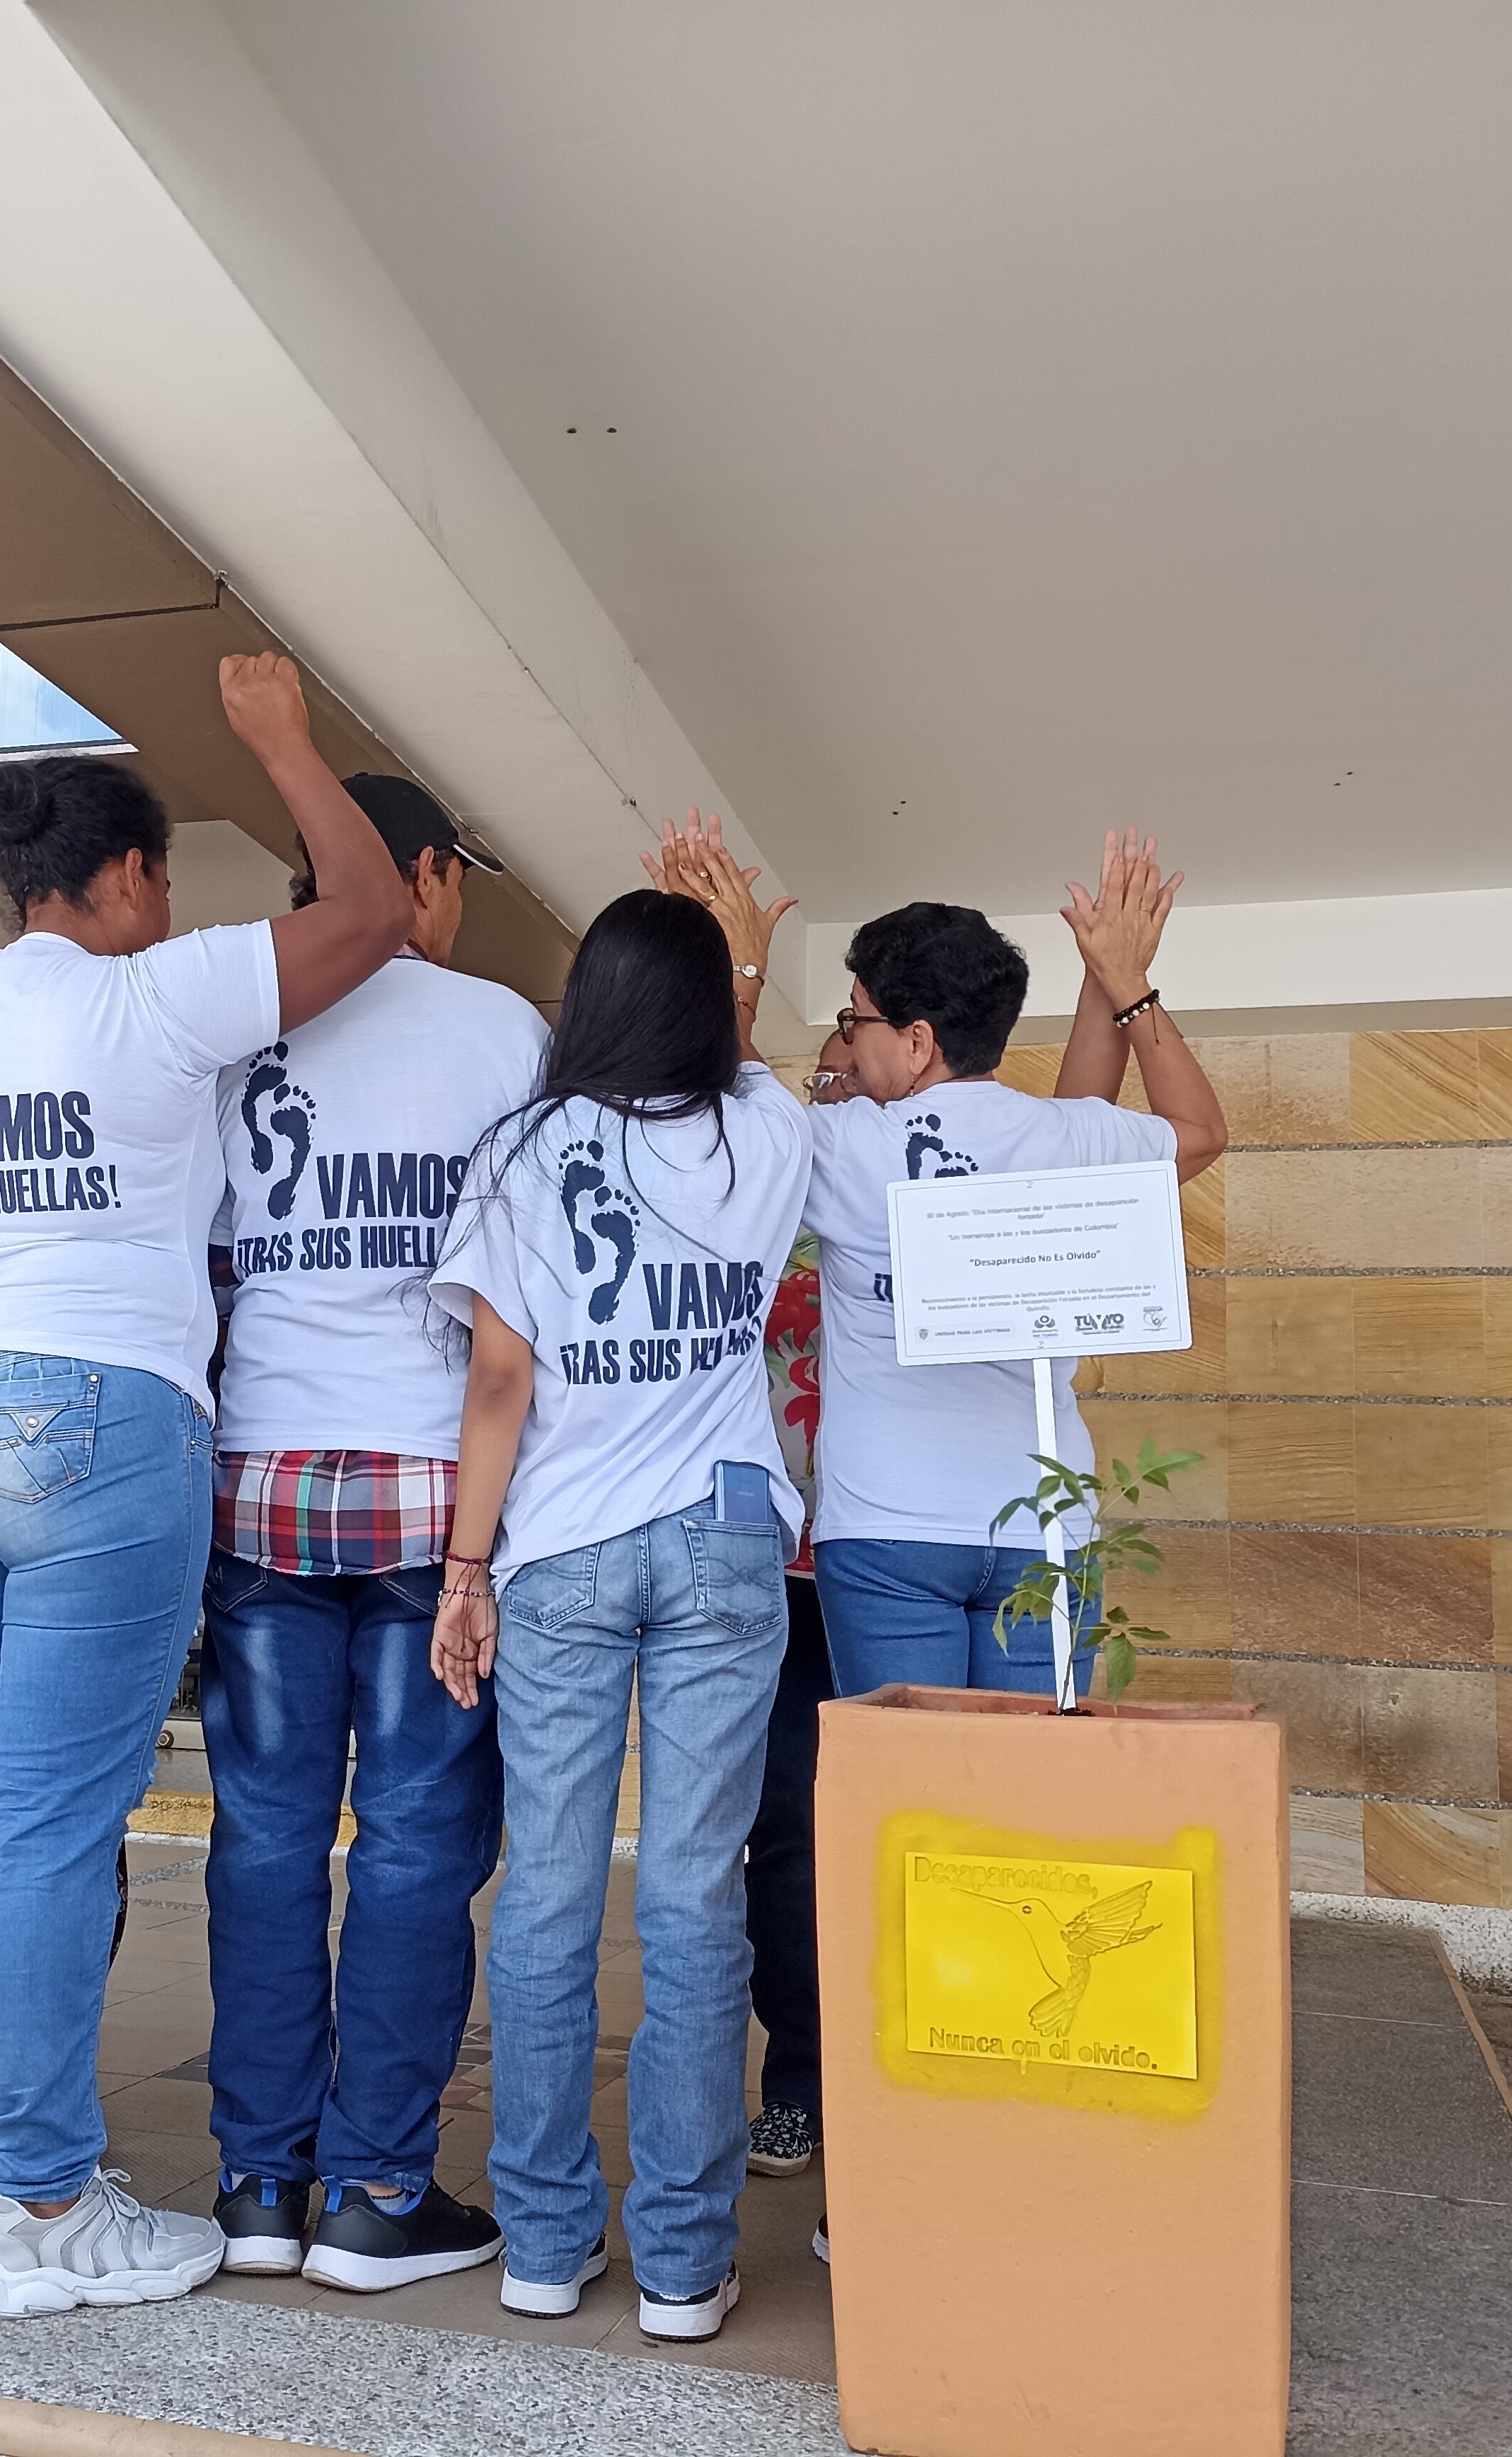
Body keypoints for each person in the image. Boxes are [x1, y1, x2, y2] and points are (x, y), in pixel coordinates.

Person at [0, 652, 408, 2314]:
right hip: (90, 1418)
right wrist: (279, 740)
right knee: (59, 1824)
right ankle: (52, 2211)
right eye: (160, 877)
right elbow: (364, 909)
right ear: (127, 876)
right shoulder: (160, 991)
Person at [427, 850, 813, 2347]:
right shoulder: (761, 1128)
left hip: (563, 1546)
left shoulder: (523, 1150)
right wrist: (746, 959)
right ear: (709, 1009)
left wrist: (464, 1570)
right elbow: (752, 1061)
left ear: (584, 1004)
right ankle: (679, 2261)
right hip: (722, 1535)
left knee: (544, 1889)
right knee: (692, 1891)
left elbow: (499, 1379)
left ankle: (539, 2239)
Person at [200, 775, 543, 2291]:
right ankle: (377, 2190)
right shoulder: (497, 1029)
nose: (456, 899)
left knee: (265, 1836)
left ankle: (258, 2182)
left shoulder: (229, 1021)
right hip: (430, 1493)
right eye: (452, 872)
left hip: (259, 1476)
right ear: (413, 873)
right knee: (412, 1841)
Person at [657, 824, 1224, 1702]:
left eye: (856, 1018)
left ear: (916, 1041)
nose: (851, 1034)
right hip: (1045, 1529)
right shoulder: (1062, 1135)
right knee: (1029, 1795)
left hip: (889, 1529)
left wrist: (740, 968)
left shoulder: (843, 1145)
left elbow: (733, 1106)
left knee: (907, 1799)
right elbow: (1199, 1132)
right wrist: (1126, 986)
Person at [741, 1031, 853, 2190]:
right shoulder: (757, 1200)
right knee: (781, 1833)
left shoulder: (923, 1200)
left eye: (845, 1068)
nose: (828, 1091)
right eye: (814, 1078)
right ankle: (799, 2084)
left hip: (892, 1559)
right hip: (773, 1565)